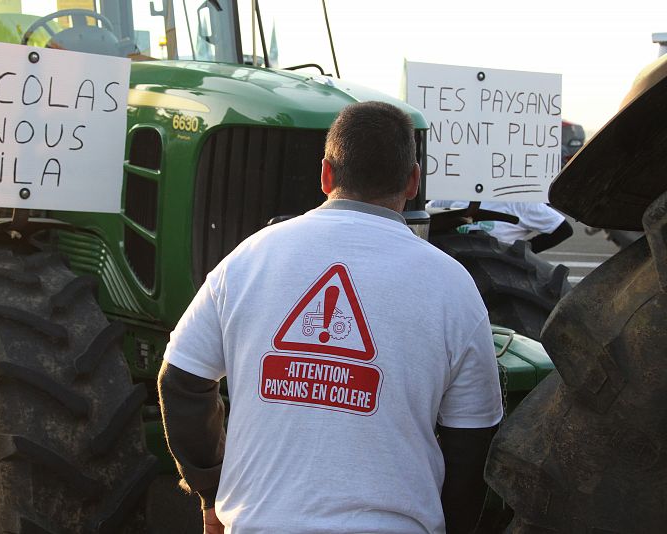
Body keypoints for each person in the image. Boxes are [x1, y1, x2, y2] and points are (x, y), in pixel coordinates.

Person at [158, 101, 504, 534]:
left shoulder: (247, 260)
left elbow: (182, 380)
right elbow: (472, 442)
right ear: (413, 181)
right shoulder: (454, 286)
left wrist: (212, 490)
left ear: (325, 175)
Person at [428, 200, 574, 253]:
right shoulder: (451, 195)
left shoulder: (519, 202)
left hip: (499, 270)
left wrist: (521, 252)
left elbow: (562, 229)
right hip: (455, 264)